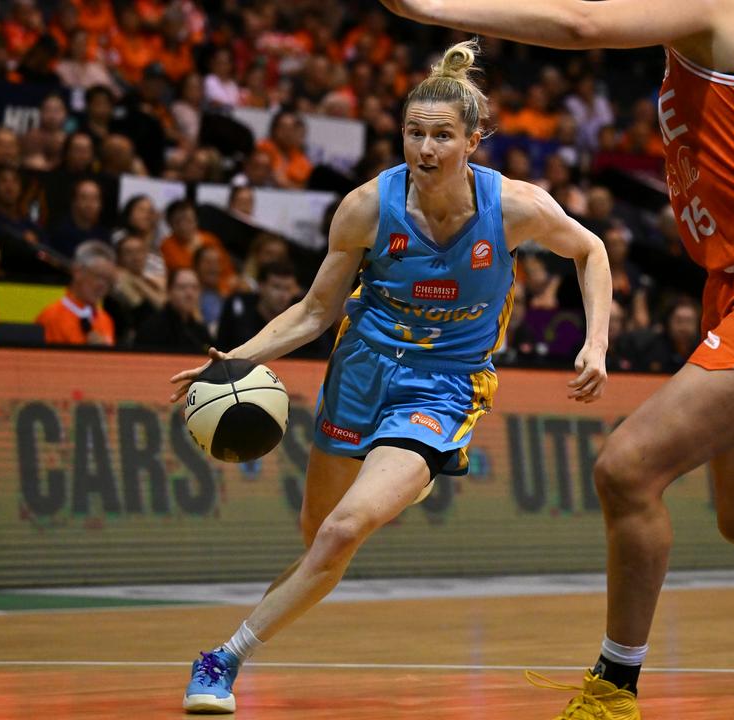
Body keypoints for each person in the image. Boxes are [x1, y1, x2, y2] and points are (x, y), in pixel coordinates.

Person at [379, 3, 734, 720]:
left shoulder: (721, 8)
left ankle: (615, 688)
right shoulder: (723, 50)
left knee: (627, 468)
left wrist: (431, 8)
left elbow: (580, 26)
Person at [167, 40, 611, 714]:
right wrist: (234, 359)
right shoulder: (366, 208)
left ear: (473, 141)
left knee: (345, 530)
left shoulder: (515, 207)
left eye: (441, 136)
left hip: (444, 385)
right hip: (360, 371)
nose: (425, 149)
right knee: (320, 537)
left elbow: (592, 250)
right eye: (413, 133)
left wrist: (597, 342)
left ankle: (221, 659)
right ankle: (389, 482)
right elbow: (315, 310)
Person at [35, 239, 116, 346]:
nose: (103, 286)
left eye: (108, 280)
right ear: (78, 272)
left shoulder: (105, 320)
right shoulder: (51, 318)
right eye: (98, 277)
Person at [134, 267, 213, 352]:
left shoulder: (200, 331)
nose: (190, 294)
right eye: (182, 287)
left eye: (195, 288)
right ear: (169, 291)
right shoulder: (152, 329)